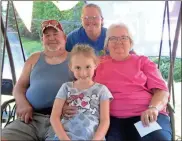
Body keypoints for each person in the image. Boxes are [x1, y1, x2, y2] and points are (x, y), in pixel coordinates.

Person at [63, 23, 172, 141]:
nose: (118, 42)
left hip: (144, 115)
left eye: (123, 38)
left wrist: (153, 108)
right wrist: (65, 104)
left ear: (130, 43)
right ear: (107, 45)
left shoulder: (143, 62)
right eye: (113, 38)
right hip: (109, 119)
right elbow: (79, 85)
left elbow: (162, 91)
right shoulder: (97, 64)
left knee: (156, 139)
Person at [2, 20, 73, 141]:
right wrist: (22, 104)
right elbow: (19, 87)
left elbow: (87, 87)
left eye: (55, 34)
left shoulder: (75, 58)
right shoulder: (33, 58)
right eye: (47, 35)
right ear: (42, 39)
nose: (51, 38)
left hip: (62, 119)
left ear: (64, 37)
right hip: (30, 118)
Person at [50, 44, 113, 141]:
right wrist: (64, 139)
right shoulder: (66, 87)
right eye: (78, 68)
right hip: (65, 137)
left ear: (95, 64)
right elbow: (54, 117)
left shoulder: (102, 90)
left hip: (93, 137)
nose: (83, 73)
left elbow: (105, 121)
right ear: (71, 67)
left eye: (88, 67)